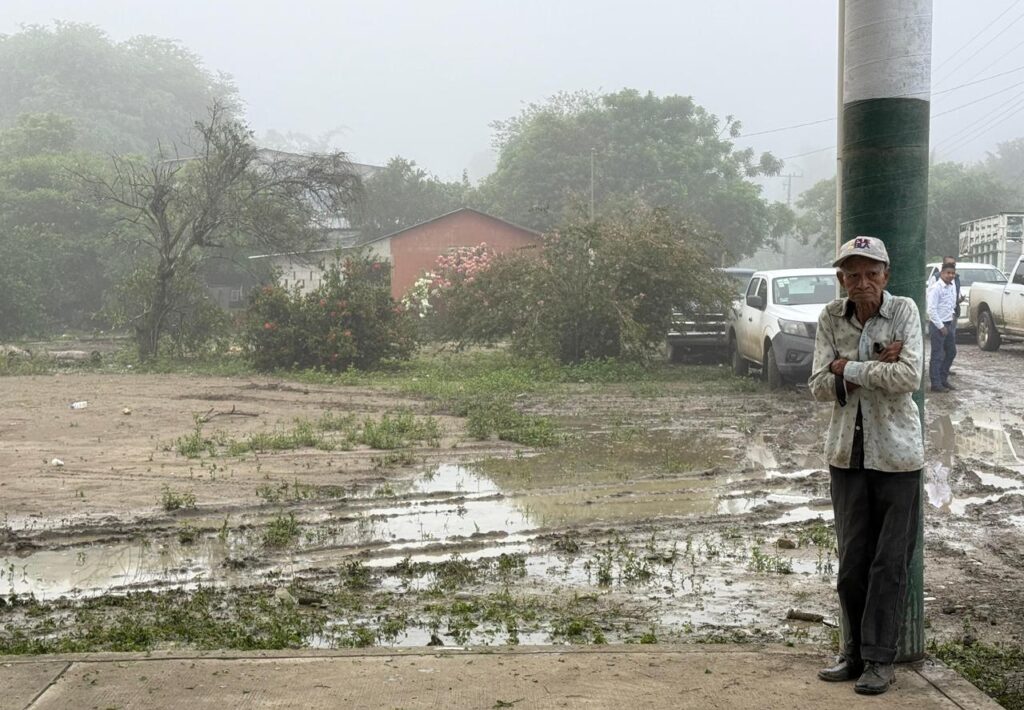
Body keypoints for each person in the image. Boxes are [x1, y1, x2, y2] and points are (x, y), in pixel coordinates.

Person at [808, 236, 924, 696]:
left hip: (897, 457)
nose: (862, 283)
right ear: (841, 280)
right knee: (852, 563)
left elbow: (908, 377)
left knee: (888, 565)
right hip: (846, 456)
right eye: (852, 275)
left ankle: (880, 661)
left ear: (886, 276)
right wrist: (867, 365)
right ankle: (852, 653)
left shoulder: (904, 312)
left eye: (871, 273)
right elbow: (817, 384)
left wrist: (847, 367)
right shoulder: (829, 318)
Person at [926, 263, 958, 393]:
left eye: (952, 273)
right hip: (938, 325)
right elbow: (931, 310)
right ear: (942, 273)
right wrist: (940, 326)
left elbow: (950, 303)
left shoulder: (952, 286)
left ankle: (943, 379)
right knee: (937, 355)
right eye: (948, 273)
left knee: (951, 352)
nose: (950, 275)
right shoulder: (936, 288)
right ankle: (936, 383)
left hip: (948, 323)